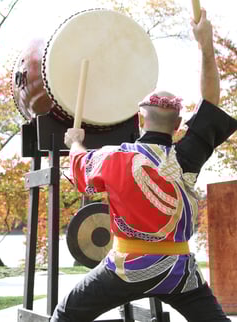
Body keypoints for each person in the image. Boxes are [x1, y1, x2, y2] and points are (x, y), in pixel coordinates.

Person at [51, 9, 237, 322]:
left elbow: (80, 163)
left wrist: (75, 140)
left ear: (139, 119)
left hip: (125, 267)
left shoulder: (113, 158)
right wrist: (205, 45)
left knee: (65, 315)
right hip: (178, 271)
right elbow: (211, 103)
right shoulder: (186, 157)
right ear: (178, 124)